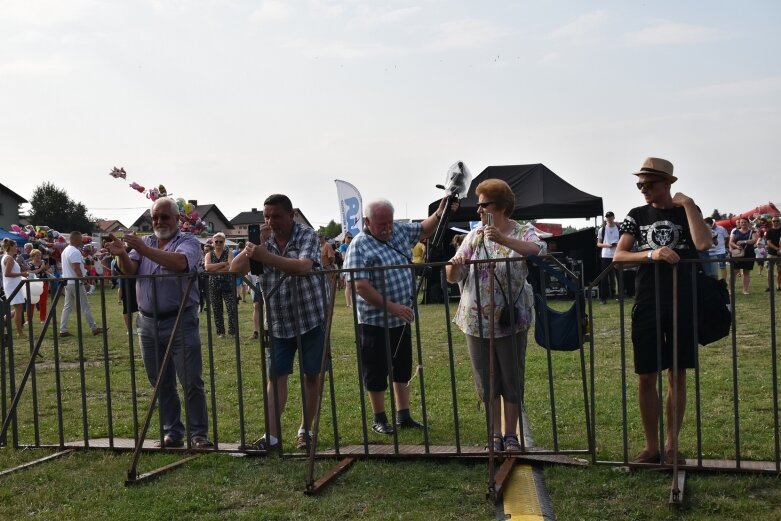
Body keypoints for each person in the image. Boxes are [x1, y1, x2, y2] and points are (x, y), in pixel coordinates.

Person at [614, 157, 711, 465]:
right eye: (640, 184)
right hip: (648, 301)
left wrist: (690, 204)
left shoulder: (686, 212)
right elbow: (619, 257)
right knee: (646, 375)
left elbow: (704, 243)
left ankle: (671, 444)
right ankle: (652, 446)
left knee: (677, 374)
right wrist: (652, 253)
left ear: (668, 183)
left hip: (683, 301)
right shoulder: (635, 215)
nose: (644, 190)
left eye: (649, 184)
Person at [445, 179, 545, 452]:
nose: (478, 210)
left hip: (510, 319)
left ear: (501, 207)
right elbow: (453, 276)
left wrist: (502, 239)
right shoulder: (473, 236)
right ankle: (494, 435)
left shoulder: (524, 231)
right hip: (476, 321)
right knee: (486, 379)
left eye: (484, 204)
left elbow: (539, 251)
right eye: (478, 205)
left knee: (511, 377)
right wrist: (454, 266)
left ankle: (511, 435)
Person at [106, 198, 213, 449]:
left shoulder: (187, 242)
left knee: (191, 381)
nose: (159, 222)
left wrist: (142, 249)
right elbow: (130, 270)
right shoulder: (147, 242)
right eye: (155, 217)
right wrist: (122, 254)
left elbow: (180, 263)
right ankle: (172, 432)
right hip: (147, 322)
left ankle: (199, 435)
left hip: (181, 319)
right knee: (160, 381)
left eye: (164, 217)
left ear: (177, 219)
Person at [343, 196, 454, 435]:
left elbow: (425, 227)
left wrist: (440, 211)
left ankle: (403, 415)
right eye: (381, 224)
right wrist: (391, 306)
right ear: (367, 221)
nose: (387, 228)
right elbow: (360, 285)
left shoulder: (399, 232)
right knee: (375, 369)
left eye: (389, 223)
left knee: (401, 367)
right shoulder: (359, 245)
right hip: (374, 321)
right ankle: (379, 418)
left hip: (401, 319)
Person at [230, 193, 326, 451]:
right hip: (279, 321)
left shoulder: (306, 235)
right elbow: (234, 269)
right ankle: (271, 437)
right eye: (267, 217)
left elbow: (304, 266)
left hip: (311, 318)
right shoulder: (264, 241)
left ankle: (305, 430)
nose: (271, 222)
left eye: (277, 216)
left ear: (291, 215)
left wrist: (265, 257)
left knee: (311, 376)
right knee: (276, 376)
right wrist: (253, 244)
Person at [59, 231, 105, 337]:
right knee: (85, 306)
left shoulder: (66, 250)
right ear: (75, 239)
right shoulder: (74, 251)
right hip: (75, 282)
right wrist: (84, 281)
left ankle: (63, 329)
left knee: (67, 306)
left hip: (68, 282)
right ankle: (94, 328)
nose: (81, 242)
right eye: (80, 239)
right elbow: (76, 269)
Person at [204, 232, 237, 338]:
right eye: (216, 241)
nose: (218, 243)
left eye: (220, 241)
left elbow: (230, 267)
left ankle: (232, 331)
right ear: (213, 243)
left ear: (224, 242)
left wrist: (215, 268)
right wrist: (223, 264)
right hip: (213, 284)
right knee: (217, 309)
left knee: (231, 308)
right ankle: (221, 332)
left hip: (227, 283)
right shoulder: (209, 254)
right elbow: (207, 268)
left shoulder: (229, 252)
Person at [2, 239, 28, 337]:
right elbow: (7, 273)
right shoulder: (9, 258)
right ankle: (19, 332)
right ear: (11, 247)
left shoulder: (7, 257)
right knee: (18, 308)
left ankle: (3, 321)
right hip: (12, 286)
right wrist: (22, 273)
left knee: (18, 308)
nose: (16, 248)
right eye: (15, 246)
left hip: (12, 285)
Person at [596, 211, 621, 303]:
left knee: (619, 276)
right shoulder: (601, 229)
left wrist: (617, 244)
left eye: (610, 217)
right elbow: (598, 244)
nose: (609, 218)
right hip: (605, 255)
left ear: (614, 217)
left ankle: (620, 297)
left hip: (617, 254)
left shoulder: (619, 228)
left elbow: (623, 240)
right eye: (607, 217)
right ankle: (603, 298)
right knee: (604, 277)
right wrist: (607, 245)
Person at [729, 218, 758, 295]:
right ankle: (730, 290)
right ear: (739, 223)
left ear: (748, 223)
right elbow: (731, 242)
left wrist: (744, 241)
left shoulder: (753, 231)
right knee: (734, 272)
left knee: (746, 272)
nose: (743, 224)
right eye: (741, 222)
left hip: (749, 253)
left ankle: (745, 290)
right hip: (737, 254)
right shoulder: (735, 231)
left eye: (745, 222)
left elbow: (754, 240)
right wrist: (736, 246)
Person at [27, 248, 50, 324]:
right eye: (37, 255)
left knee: (43, 302)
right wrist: (41, 268)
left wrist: (47, 268)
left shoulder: (44, 262)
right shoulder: (29, 264)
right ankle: (29, 319)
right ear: (32, 256)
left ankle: (43, 319)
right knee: (32, 302)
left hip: (44, 283)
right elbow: (31, 272)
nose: (39, 257)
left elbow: (48, 270)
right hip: (34, 284)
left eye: (40, 255)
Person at [766, 216, 781, 291]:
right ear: (771, 222)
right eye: (774, 221)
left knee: (780, 271)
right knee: (769, 271)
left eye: (777, 221)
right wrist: (777, 249)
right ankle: (770, 286)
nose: (775, 222)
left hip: (780, 254)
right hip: (771, 253)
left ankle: (779, 286)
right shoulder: (769, 231)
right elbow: (768, 242)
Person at [339, 233, 354, 307]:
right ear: (345, 237)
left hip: (353, 266)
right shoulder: (342, 246)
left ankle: (352, 303)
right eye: (348, 237)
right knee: (348, 286)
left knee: (353, 286)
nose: (350, 239)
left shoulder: (353, 245)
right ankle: (348, 304)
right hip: (347, 267)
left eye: (351, 237)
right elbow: (343, 257)